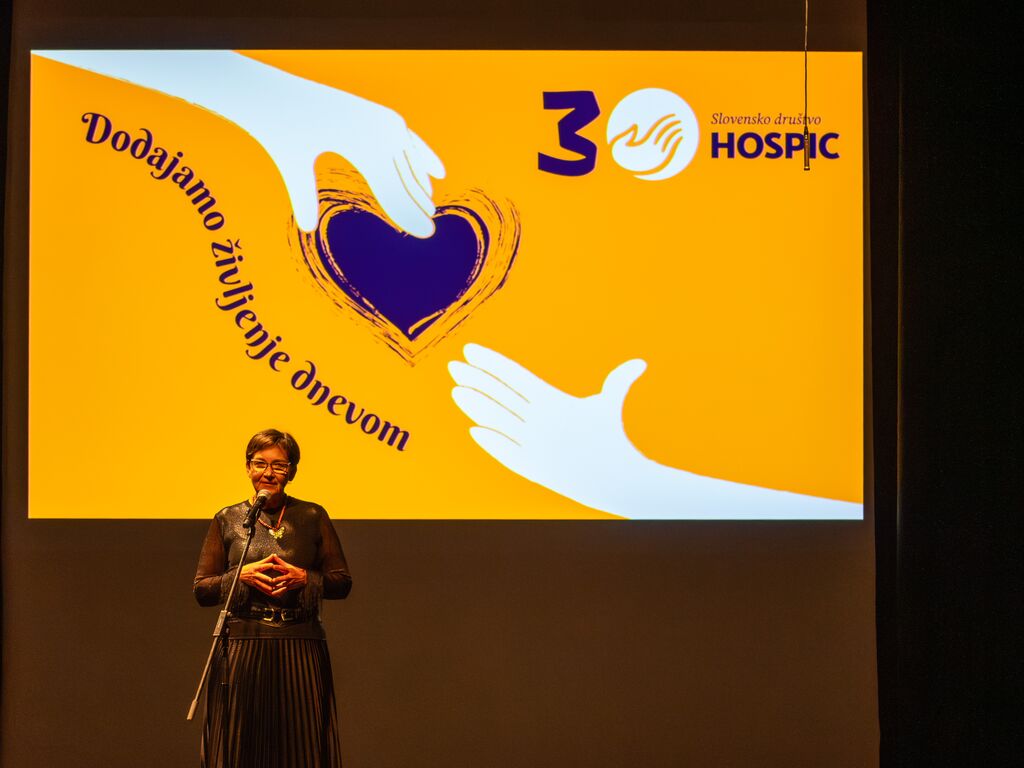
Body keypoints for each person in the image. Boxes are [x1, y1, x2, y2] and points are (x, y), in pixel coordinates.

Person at [194, 429, 352, 768]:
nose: (268, 473)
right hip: (244, 644)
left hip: (300, 644)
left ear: (292, 471)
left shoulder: (312, 516)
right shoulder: (228, 519)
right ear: (247, 467)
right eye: (260, 464)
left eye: (279, 465)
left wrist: (305, 578)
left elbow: (342, 583)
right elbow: (202, 589)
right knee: (241, 745)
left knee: (302, 744)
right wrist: (242, 576)